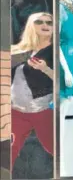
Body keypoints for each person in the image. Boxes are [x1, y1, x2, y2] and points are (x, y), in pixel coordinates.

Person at [10, 12, 54, 169]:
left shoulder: (55, 51)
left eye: (49, 23)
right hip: (15, 111)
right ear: (31, 25)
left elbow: (65, 82)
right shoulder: (17, 50)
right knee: (8, 152)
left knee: (55, 148)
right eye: (40, 22)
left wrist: (45, 69)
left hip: (41, 110)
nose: (45, 25)